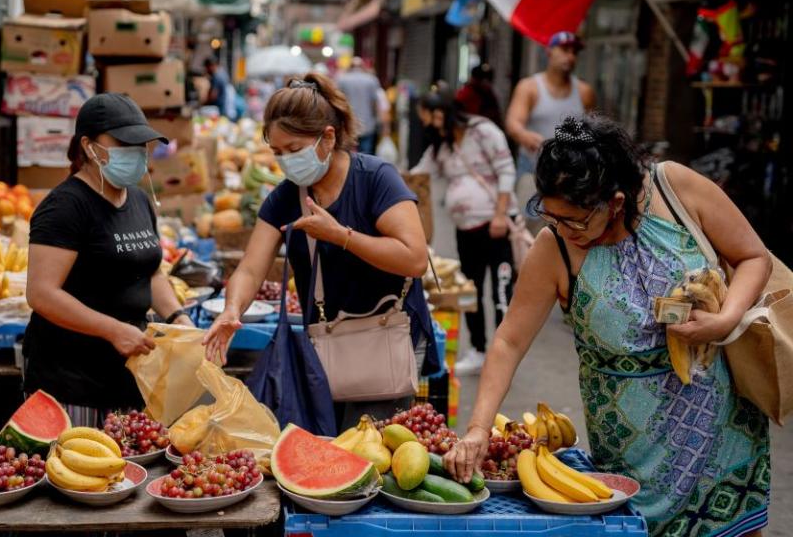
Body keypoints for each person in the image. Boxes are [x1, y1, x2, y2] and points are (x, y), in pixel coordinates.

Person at [444, 116, 771, 537]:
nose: (561, 229)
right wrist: (476, 428)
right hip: (627, 454)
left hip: (720, 432)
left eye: (575, 220)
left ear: (614, 203)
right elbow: (509, 341)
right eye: (551, 215)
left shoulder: (676, 190)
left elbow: (753, 256)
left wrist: (724, 321)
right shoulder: (555, 247)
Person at [202, 73, 441, 429]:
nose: (285, 161)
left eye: (294, 149)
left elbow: (415, 258)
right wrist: (232, 309)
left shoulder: (376, 178)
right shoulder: (286, 197)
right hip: (326, 348)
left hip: (384, 339)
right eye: (277, 152)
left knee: (375, 456)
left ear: (328, 138)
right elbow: (251, 269)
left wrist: (341, 236)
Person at [23, 93, 196, 427]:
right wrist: (112, 330)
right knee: (82, 474)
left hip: (129, 380)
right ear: (89, 146)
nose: (137, 153)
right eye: (124, 143)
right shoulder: (65, 207)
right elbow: (41, 293)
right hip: (73, 383)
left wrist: (177, 316)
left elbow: (150, 271)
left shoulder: (139, 201)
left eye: (141, 144)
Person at [411, 93, 516, 376]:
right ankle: (479, 350)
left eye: (432, 116)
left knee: (501, 291)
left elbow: (506, 171)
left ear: (445, 111)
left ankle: (506, 352)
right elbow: (419, 173)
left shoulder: (482, 131)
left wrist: (500, 215)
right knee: (471, 289)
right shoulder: (441, 147)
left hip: (496, 225)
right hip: (465, 228)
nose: (430, 124)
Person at [505, 32, 595, 231]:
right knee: (527, 230)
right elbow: (513, 122)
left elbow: (592, 131)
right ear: (549, 51)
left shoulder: (584, 92)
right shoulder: (530, 87)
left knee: (564, 232)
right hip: (533, 172)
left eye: (574, 52)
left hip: (569, 178)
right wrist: (524, 135)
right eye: (564, 50)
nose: (570, 56)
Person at [336, 57, 384, 155]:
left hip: (348, 123)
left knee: (347, 153)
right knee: (366, 153)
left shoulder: (342, 80)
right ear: (362, 67)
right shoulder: (371, 80)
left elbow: (338, 100)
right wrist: (376, 118)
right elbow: (375, 102)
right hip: (367, 123)